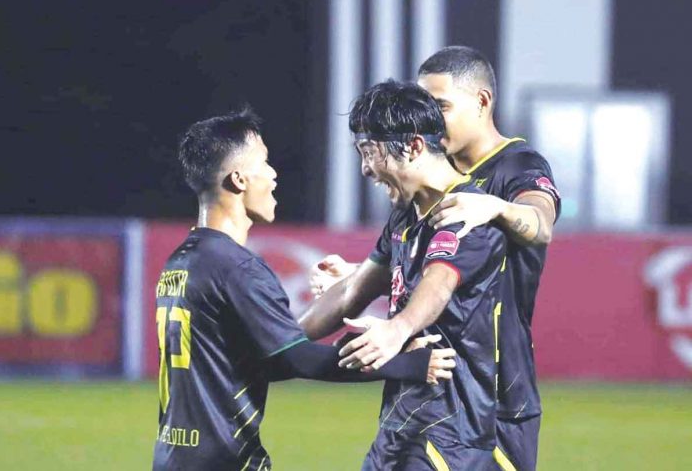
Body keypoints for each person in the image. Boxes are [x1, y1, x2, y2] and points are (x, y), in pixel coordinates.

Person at [151, 108, 456, 471]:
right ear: (239, 179)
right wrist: (407, 363)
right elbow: (299, 359)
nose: (274, 175)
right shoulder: (237, 268)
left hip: (172, 459)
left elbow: (271, 363)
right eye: (264, 163)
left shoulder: (180, 262)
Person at [310, 46, 561, 471]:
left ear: (481, 102)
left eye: (440, 105)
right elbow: (417, 269)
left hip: (497, 395)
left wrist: (499, 209)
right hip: (429, 390)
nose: (431, 118)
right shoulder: (414, 193)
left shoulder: (515, 167)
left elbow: (541, 222)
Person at [301, 80, 507, 469]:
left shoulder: (469, 210)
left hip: (450, 430)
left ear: (412, 146)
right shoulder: (404, 216)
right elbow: (350, 294)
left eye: (369, 152)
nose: (364, 169)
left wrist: (397, 329)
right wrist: (278, 340)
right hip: (401, 420)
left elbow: (440, 281)